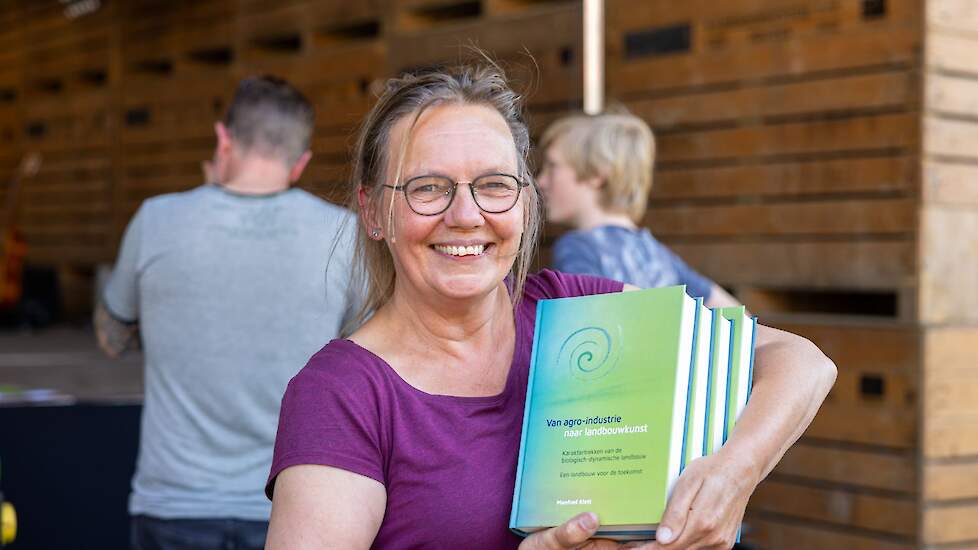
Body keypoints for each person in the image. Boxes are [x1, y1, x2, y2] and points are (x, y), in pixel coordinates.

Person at [264, 63, 836, 550]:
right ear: (373, 212)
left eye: (493, 184)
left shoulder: (575, 310)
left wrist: (734, 474)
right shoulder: (341, 394)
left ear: (525, 201)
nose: (465, 215)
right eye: (428, 187)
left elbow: (802, 360)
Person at [95, 75, 361, 550]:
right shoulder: (344, 233)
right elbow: (364, 351)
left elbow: (111, 339)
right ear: (300, 163)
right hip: (295, 505)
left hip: (174, 505)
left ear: (223, 139)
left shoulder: (156, 219)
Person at [537, 112, 739, 307]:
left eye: (552, 166)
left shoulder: (577, 247)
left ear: (597, 174)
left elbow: (581, 328)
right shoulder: (656, 253)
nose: (541, 181)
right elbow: (736, 314)